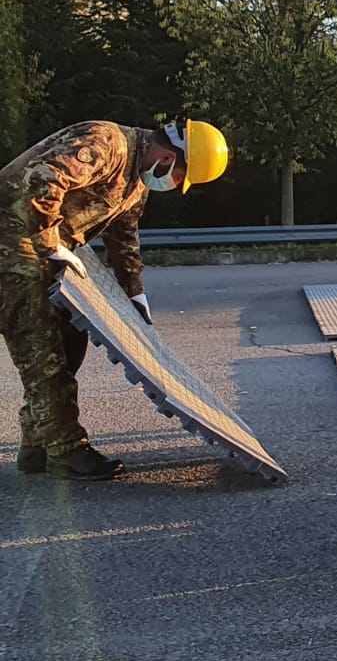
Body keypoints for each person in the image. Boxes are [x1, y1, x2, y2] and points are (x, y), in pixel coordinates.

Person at [0, 119, 229, 480]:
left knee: (70, 342)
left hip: (37, 251)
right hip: (12, 248)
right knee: (43, 352)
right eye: (180, 177)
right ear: (168, 158)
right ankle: (67, 451)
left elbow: (124, 238)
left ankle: (38, 446)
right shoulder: (106, 144)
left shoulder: (136, 181)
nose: (173, 184)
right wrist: (49, 243)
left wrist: (134, 291)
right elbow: (43, 177)